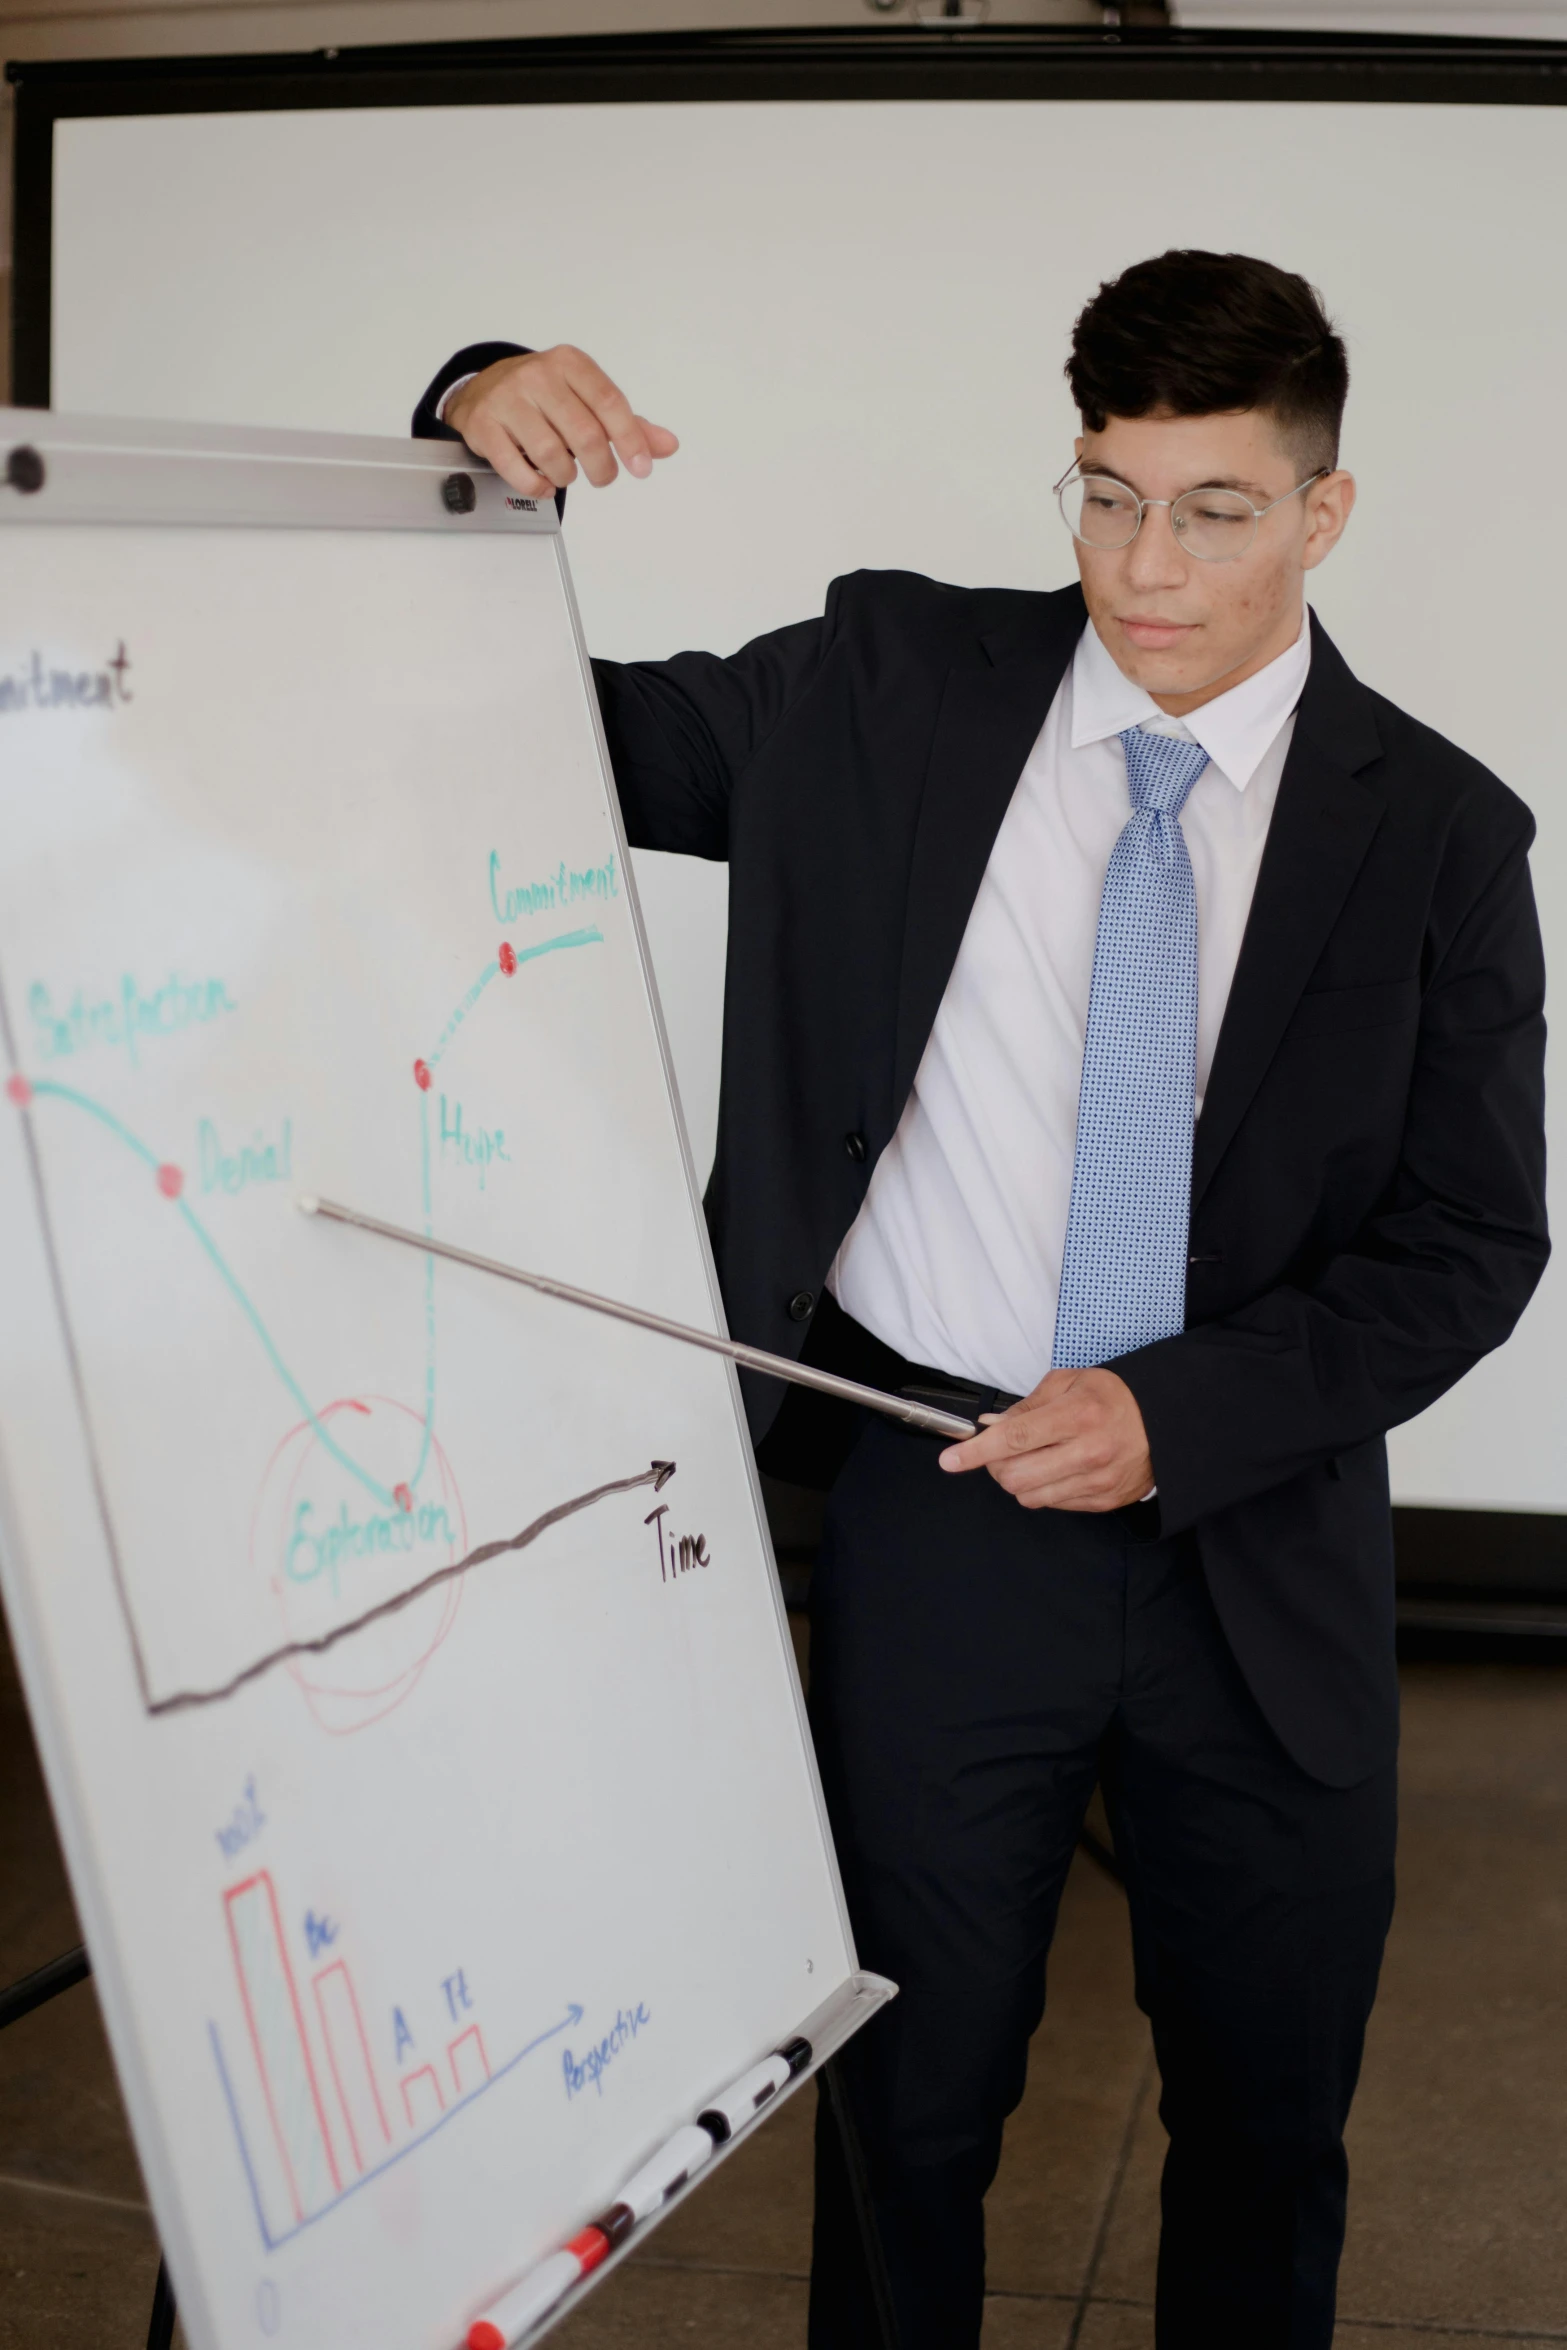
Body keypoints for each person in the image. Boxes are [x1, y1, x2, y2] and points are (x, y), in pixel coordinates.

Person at [413, 252, 1548, 2349]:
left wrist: (1180, 1412)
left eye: (1212, 507)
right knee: (903, 2118)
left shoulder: (1450, 836)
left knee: (1268, 2123)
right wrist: (474, 437)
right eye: (1107, 492)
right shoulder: (885, 686)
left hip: (1261, 1545)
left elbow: (1474, 1244)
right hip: (936, 1513)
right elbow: (534, 738)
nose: (1146, 559)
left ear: (1324, 509)